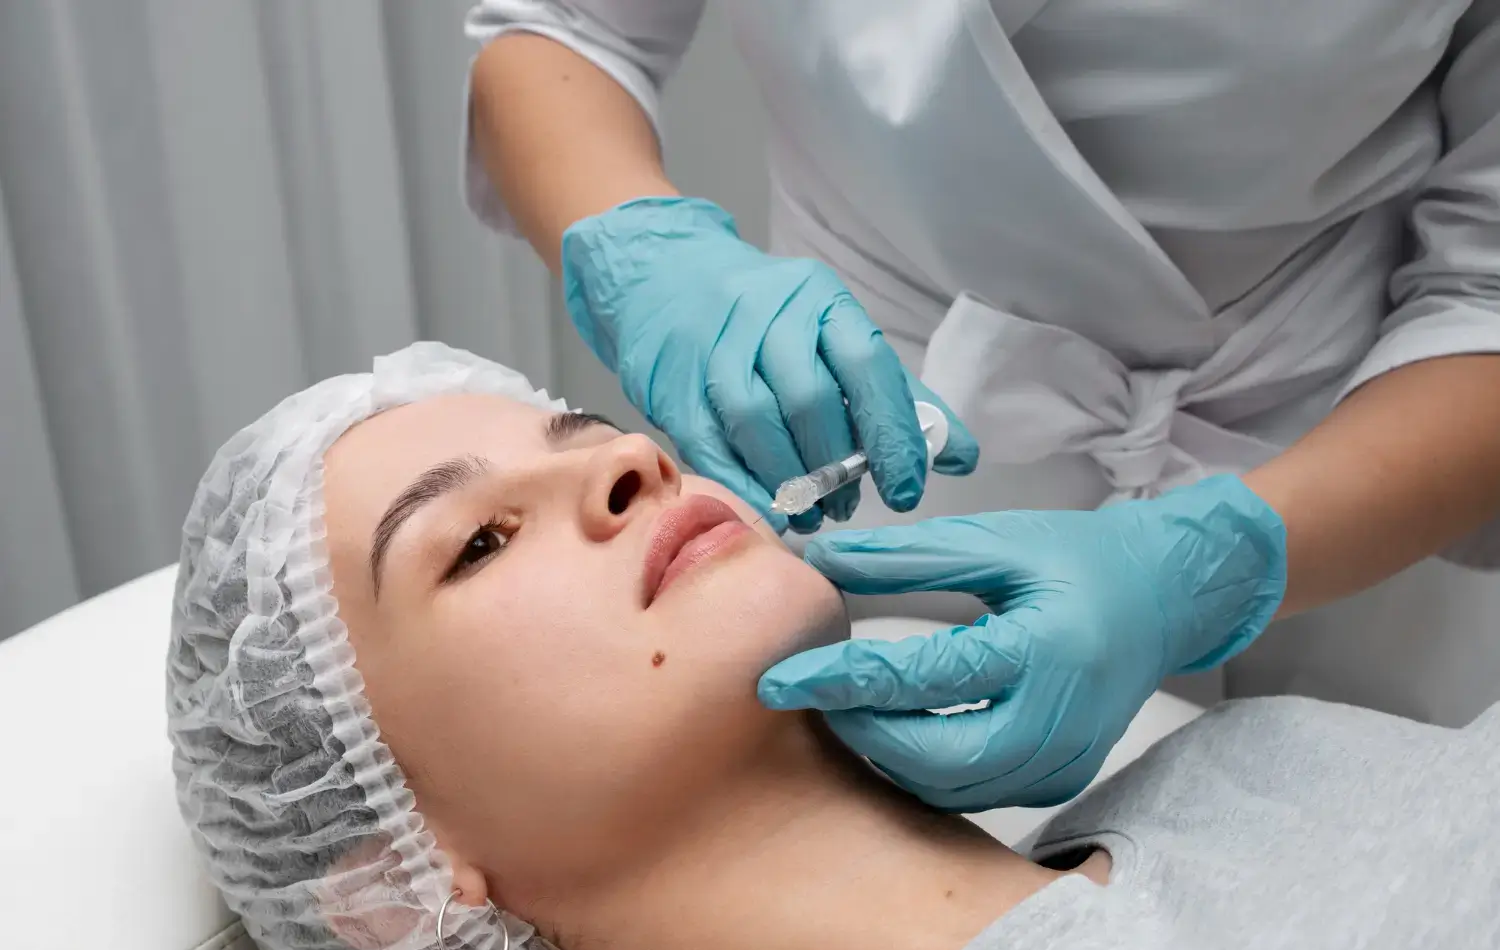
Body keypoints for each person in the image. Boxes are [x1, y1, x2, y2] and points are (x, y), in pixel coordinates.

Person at [167, 343, 1500, 950]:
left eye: (575, 426)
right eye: (480, 541)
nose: (622, 458)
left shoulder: (1242, 758)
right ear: (398, 892)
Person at [460, 2, 1500, 810]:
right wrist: (646, 254)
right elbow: (562, 28)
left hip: (1357, 482)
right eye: (473, 541)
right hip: (857, 430)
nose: (621, 464)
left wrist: (1216, 562)